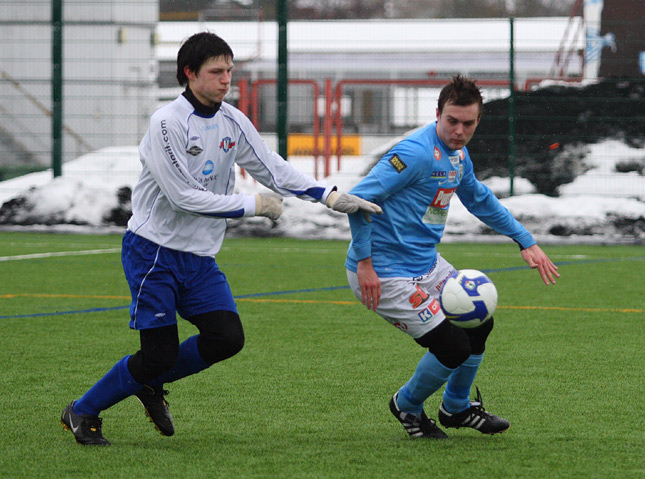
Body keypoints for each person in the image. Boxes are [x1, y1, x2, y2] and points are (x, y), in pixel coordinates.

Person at [61, 31, 382, 446]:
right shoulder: (167, 123)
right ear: (189, 74)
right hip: (154, 252)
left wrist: (329, 195)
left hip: (199, 258)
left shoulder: (231, 119)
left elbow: (271, 167)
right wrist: (252, 205)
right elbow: (182, 196)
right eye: (216, 71)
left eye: (229, 70)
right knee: (157, 352)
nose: (226, 78)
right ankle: (83, 410)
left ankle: (149, 382)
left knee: (226, 338)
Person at [345, 75, 559, 439]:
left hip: (425, 263)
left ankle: (456, 408)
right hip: (384, 271)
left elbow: (477, 198)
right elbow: (357, 201)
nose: (459, 130)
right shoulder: (413, 153)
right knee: (452, 345)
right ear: (438, 115)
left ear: (478, 121)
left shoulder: (458, 154)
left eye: (468, 123)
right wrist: (365, 263)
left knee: (479, 321)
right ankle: (407, 406)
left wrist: (525, 240)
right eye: (452, 121)